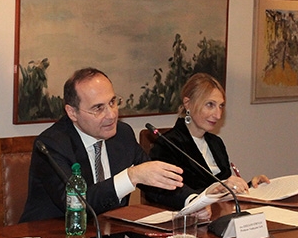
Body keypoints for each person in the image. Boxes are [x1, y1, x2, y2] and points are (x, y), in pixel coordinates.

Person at [20, 68, 203, 223]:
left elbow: (156, 182)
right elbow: (78, 204)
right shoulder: (52, 145)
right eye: (98, 108)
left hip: (110, 236)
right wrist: (131, 176)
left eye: (113, 102)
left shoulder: (122, 135)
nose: (112, 115)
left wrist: (193, 201)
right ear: (72, 112)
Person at [149, 73, 268, 196]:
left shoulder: (216, 143)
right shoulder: (167, 144)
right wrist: (212, 191)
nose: (218, 115)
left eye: (221, 106)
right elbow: (163, 193)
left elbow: (224, 188)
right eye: (210, 105)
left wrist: (251, 186)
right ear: (187, 104)